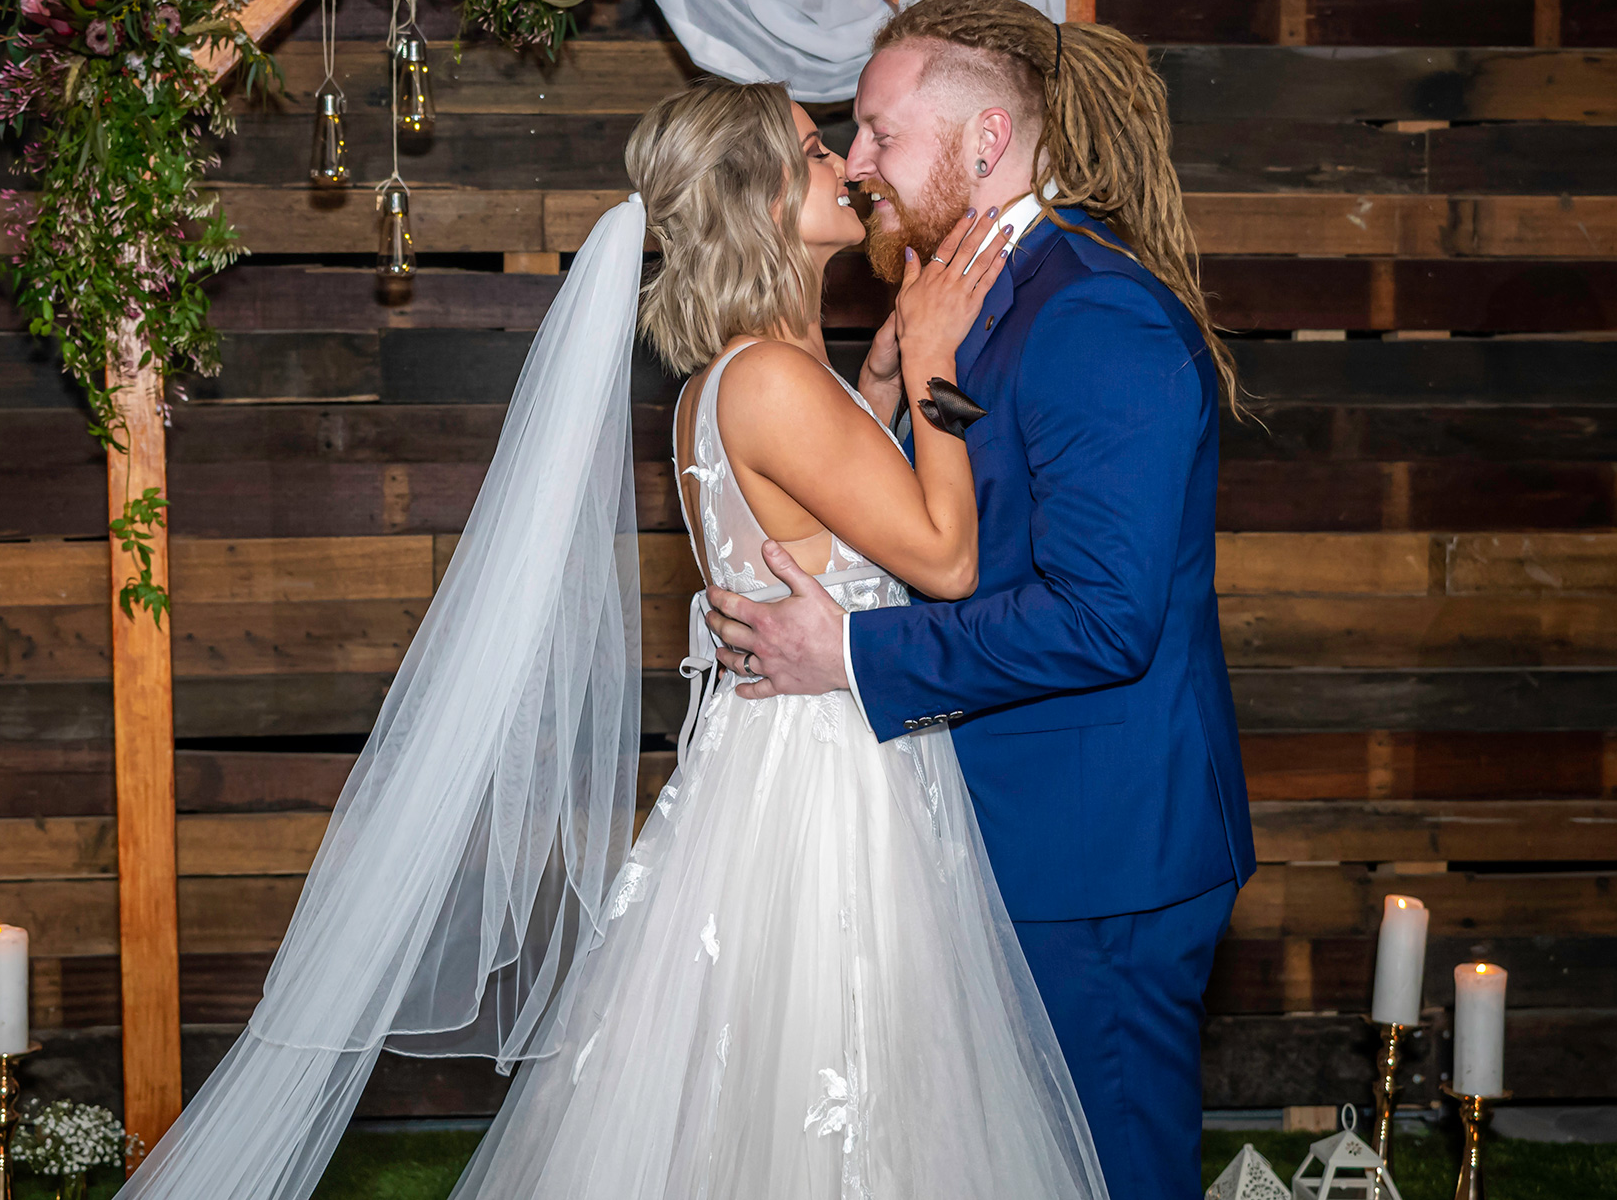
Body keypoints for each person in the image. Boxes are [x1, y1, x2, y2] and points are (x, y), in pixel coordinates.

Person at [113, 77, 1107, 1200]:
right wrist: (933, 366)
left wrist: (876, 386)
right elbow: (944, 561)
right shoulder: (774, 380)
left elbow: (833, 538)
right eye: (812, 147)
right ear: (759, 196)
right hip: (825, 787)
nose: (844, 164)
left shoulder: (728, 381)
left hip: (798, 757)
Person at [702, 0, 1257, 1200]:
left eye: (879, 134)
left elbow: (1100, 616)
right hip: (995, 822)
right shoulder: (962, 301)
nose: (856, 165)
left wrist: (848, 654)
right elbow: (941, 522)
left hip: (1097, 846)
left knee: (1101, 1170)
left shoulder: (1092, 313)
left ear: (984, 142)